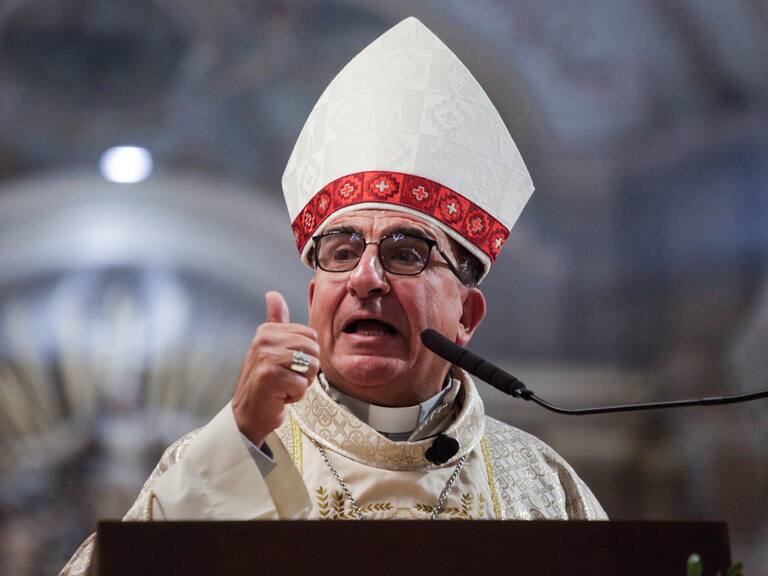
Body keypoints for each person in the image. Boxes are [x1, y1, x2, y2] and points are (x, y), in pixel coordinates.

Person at [61, 16, 606, 576]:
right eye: (342, 252)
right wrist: (239, 436)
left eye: (405, 252)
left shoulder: (541, 489)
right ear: (314, 296)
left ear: (466, 314)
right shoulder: (231, 460)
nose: (365, 278)